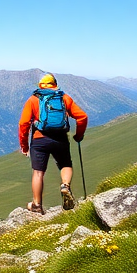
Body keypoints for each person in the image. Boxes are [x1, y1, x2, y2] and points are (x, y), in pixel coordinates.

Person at [18, 73, 88, 214]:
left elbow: (23, 123)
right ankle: (65, 186)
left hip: (39, 140)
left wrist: (24, 146)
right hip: (60, 139)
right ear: (55, 84)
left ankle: (37, 205)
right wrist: (78, 135)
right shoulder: (64, 98)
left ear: (40, 85)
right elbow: (82, 117)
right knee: (65, 165)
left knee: (38, 173)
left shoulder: (33, 99)